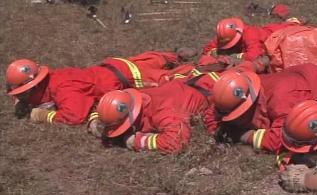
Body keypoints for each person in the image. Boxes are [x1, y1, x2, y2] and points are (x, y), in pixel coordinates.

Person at [203, 60, 317, 153]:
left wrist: (241, 135)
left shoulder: (282, 102)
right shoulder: (235, 88)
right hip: (302, 72)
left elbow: (281, 140)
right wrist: (218, 129)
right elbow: (214, 113)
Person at [4, 50, 197, 125]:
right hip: (117, 64)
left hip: (131, 77)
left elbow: (74, 115)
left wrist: (45, 115)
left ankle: (209, 65)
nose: (23, 98)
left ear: (34, 87)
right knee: (157, 57)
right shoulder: (55, 77)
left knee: (183, 78)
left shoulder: (62, 88)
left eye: (24, 93)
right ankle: (176, 55)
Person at [90, 72, 218, 154]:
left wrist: (139, 142)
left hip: (207, 87)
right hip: (181, 83)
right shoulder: (132, 97)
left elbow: (176, 142)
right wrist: (96, 119)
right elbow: (111, 101)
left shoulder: (164, 112)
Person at [198, 17, 300, 69]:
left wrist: (234, 56)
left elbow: (254, 55)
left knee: (294, 30)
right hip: (269, 31)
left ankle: (295, 22)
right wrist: (214, 53)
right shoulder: (226, 34)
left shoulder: (250, 34)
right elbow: (208, 49)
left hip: (276, 35)